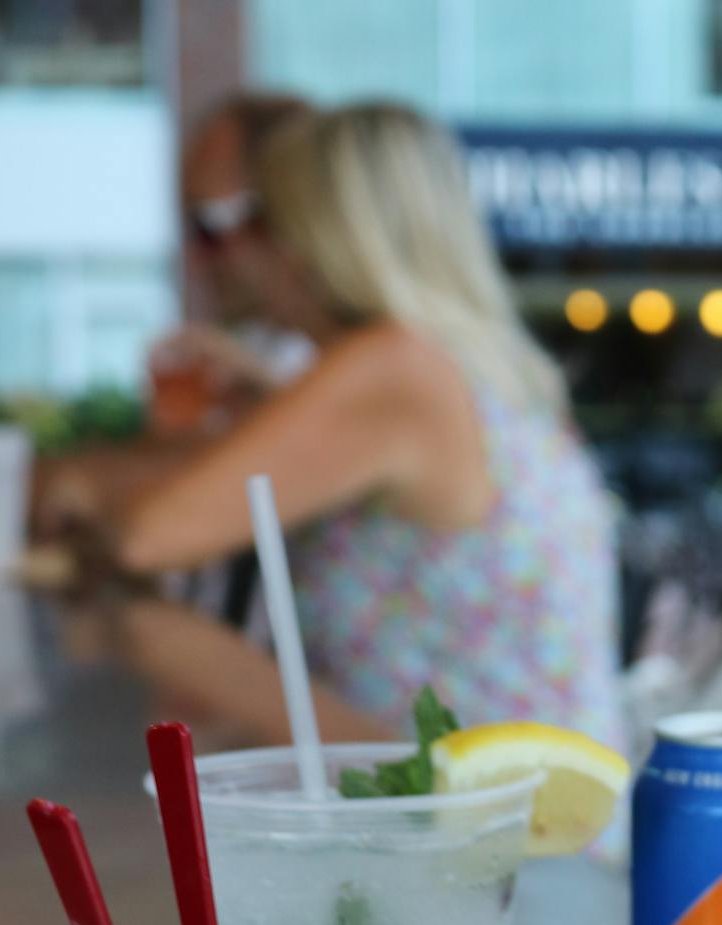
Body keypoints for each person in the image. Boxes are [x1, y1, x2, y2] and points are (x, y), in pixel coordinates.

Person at [36, 101, 624, 750]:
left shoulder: (395, 369)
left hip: (506, 837)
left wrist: (85, 491)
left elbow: (145, 535)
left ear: (310, 239)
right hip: (509, 818)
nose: (239, 250)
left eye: (259, 220)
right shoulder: (463, 366)